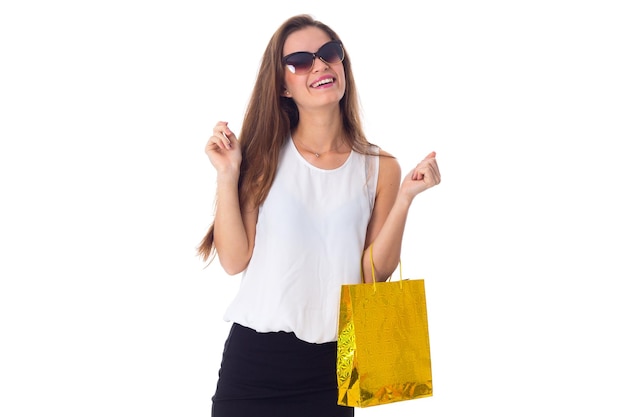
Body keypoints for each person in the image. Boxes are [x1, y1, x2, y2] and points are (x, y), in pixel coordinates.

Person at [198, 14, 441, 417]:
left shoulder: (380, 167)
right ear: (282, 84)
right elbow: (234, 260)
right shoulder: (262, 157)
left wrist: (405, 199)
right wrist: (227, 175)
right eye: (301, 61)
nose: (320, 66)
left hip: (333, 367)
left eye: (330, 54)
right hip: (255, 362)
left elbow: (373, 273)